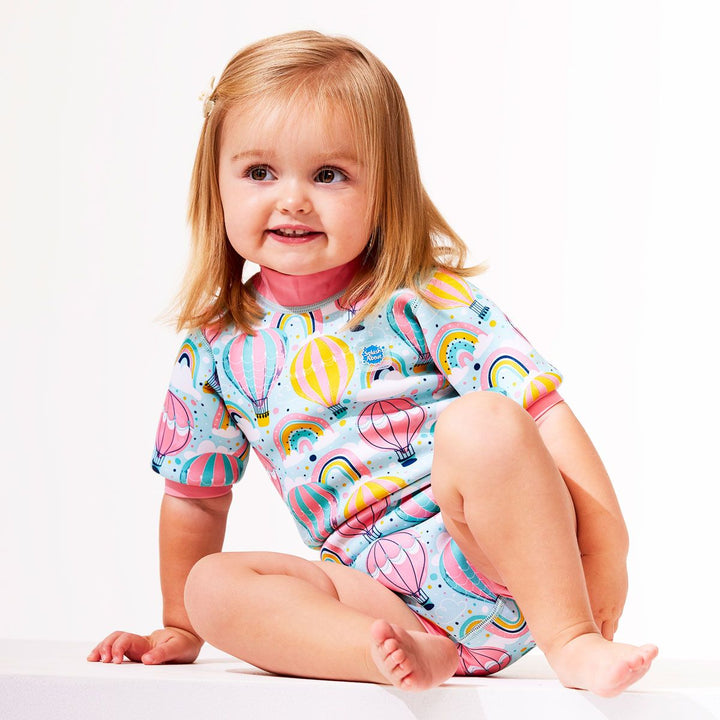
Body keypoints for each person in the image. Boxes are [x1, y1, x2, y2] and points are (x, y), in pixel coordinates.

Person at [88, 30, 657, 696]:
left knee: (488, 422)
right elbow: (195, 499)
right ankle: (383, 653)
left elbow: (546, 416)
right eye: (259, 172)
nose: (293, 198)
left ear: (383, 189)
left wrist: (604, 553)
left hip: (496, 554)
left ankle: (572, 643)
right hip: (367, 593)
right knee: (212, 585)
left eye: (329, 175)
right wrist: (180, 625)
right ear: (216, 187)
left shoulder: (420, 296)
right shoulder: (215, 346)